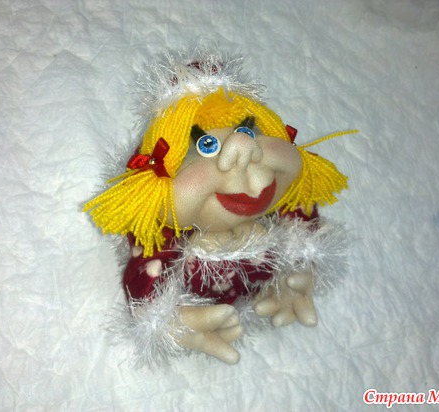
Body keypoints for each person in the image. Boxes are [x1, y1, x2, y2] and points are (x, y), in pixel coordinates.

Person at [84, 49, 352, 364]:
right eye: (206, 145)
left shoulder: (285, 203)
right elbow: (147, 278)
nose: (244, 151)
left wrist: (303, 268)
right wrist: (168, 323)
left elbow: (302, 222)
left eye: (248, 131)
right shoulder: (162, 234)